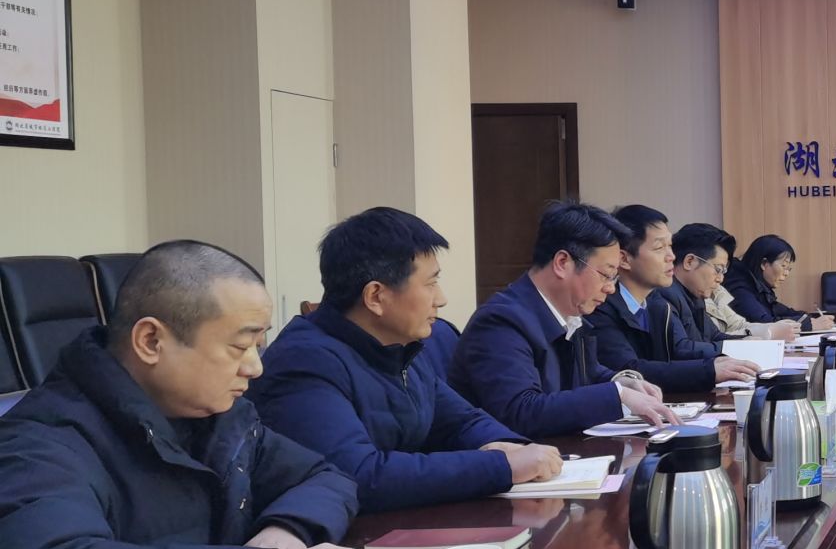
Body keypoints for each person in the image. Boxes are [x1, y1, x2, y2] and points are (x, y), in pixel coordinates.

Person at [0, 241, 371, 549]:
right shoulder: (43, 440)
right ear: (151, 341)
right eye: (239, 347)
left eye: (259, 344)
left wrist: (286, 531)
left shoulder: (221, 418)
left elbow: (325, 477)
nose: (255, 367)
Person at [250, 208, 563, 512]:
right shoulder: (304, 363)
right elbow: (359, 475)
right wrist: (500, 466)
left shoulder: (400, 347)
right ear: (376, 296)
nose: (441, 299)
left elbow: (461, 421)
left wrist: (506, 445)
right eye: (430, 283)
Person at [450, 202, 677, 438]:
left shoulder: (570, 316)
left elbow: (585, 372)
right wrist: (617, 395)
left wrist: (621, 381)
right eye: (606, 275)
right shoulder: (501, 322)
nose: (611, 288)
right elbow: (521, 412)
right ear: (562, 263)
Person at [588, 205, 758, 393]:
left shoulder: (656, 304)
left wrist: (727, 357)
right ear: (624, 259)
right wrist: (709, 370)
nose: (671, 256)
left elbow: (673, 360)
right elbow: (629, 370)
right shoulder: (600, 306)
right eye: (659, 248)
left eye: (670, 246)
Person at [702, 227, 797, 342]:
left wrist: (804, 321)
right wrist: (768, 332)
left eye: (723, 270)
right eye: (718, 269)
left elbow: (739, 324)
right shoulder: (737, 285)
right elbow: (708, 341)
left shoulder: (717, 291)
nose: (721, 278)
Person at [727, 234, 831, 329]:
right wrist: (809, 325)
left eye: (789, 269)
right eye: (783, 266)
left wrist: (807, 318)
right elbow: (763, 323)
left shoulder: (759, 286)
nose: (786, 273)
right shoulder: (738, 286)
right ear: (764, 264)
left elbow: (778, 310)